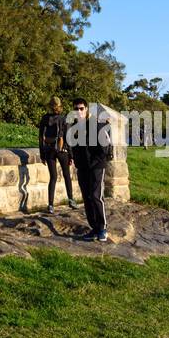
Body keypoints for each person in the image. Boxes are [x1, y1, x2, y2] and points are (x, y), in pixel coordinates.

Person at [67, 97, 113, 242]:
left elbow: (105, 147)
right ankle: (93, 228)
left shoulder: (97, 124)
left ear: (86, 109)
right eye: (76, 109)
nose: (79, 111)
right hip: (83, 167)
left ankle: (102, 229)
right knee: (86, 198)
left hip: (96, 166)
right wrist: (74, 158)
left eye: (81, 108)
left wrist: (96, 162)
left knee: (96, 196)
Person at [38, 95, 77, 210]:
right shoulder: (64, 118)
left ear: (49, 106)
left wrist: (42, 154)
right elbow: (68, 137)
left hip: (49, 150)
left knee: (53, 177)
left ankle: (50, 205)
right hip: (62, 150)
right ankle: (71, 199)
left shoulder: (45, 118)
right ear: (60, 106)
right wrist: (71, 155)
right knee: (66, 176)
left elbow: (41, 137)